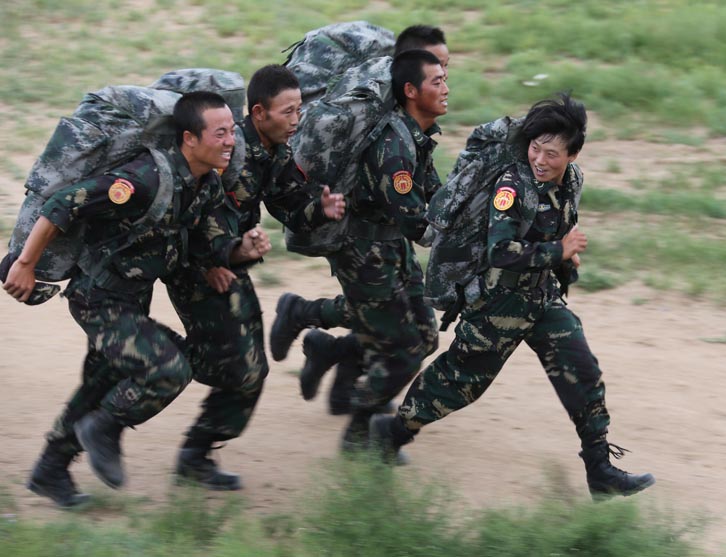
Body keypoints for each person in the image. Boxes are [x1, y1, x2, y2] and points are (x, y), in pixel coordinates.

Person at [370, 94, 656, 499]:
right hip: (496, 307)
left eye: (552, 153)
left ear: (573, 155)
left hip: (540, 299)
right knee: (459, 382)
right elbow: (499, 251)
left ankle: (600, 470)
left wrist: (563, 264)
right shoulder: (512, 185)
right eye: (535, 147)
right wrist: (559, 251)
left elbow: (554, 230)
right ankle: (393, 432)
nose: (540, 159)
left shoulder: (571, 181)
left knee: (582, 372)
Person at [3, 91, 271, 508]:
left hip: (131, 298)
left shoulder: (204, 185)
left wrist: (242, 251)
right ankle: (106, 428)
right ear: (189, 139)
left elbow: (206, 244)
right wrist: (25, 263)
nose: (230, 141)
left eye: (232, 132)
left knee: (103, 380)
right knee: (167, 368)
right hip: (99, 298)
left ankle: (50, 470)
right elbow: (63, 203)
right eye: (219, 133)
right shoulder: (144, 179)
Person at [163, 65, 345, 490]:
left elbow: (286, 204)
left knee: (248, 369)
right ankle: (144, 414)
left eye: (300, 109)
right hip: (199, 268)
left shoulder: (273, 151)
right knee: (238, 367)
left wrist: (319, 208)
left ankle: (196, 452)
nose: (297, 119)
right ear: (259, 112)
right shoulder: (228, 151)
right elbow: (189, 212)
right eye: (288, 111)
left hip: (229, 262)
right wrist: (210, 261)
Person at [270, 24, 450, 416]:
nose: (447, 78)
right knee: (401, 341)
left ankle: (332, 355)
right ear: (409, 74)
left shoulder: (408, 118)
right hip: (360, 239)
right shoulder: (386, 128)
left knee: (420, 333)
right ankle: (364, 432)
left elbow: (427, 185)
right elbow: (416, 217)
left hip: (386, 235)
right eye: (438, 69)